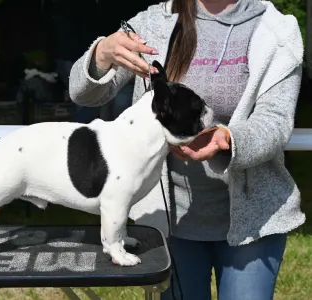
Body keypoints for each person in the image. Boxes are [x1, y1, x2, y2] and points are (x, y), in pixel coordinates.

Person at [68, 0, 305, 299]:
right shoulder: (153, 23)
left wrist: (228, 140)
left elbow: (276, 122)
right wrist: (101, 54)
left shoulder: (277, 29)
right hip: (169, 224)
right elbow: (84, 94)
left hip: (255, 222)